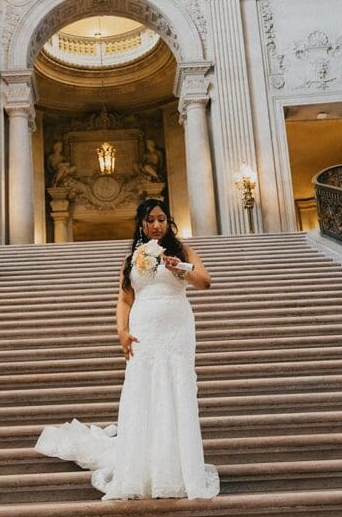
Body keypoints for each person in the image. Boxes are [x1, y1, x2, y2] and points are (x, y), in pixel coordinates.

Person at [34, 198, 219, 500]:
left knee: (177, 390)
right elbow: (124, 300)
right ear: (141, 224)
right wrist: (122, 332)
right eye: (151, 220)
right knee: (144, 390)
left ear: (168, 221)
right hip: (144, 330)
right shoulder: (132, 259)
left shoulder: (180, 250)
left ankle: (179, 468)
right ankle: (143, 468)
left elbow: (205, 282)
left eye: (161, 219)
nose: (157, 225)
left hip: (177, 329)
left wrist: (180, 268)